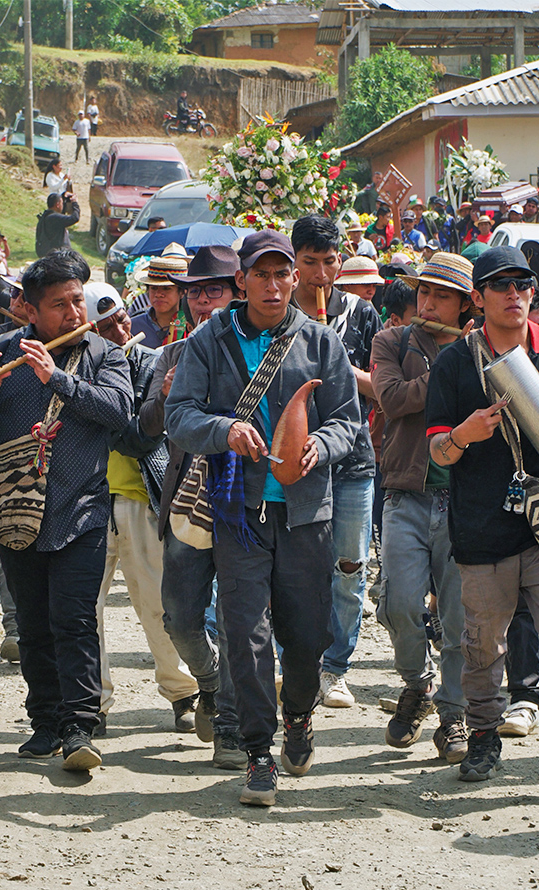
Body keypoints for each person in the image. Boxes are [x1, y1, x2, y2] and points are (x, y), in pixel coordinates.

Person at [165, 229, 362, 807]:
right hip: (238, 514)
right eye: (262, 275)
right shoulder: (209, 342)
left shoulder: (321, 343)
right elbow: (179, 416)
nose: (273, 285)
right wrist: (224, 430)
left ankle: (298, 712)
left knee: (306, 635)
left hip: (306, 514)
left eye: (283, 274)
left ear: (295, 279)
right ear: (242, 281)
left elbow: (349, 421)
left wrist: (319, 448)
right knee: (244, 633)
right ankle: (257, 751)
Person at [424, 244, 539, 790]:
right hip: (482, 527)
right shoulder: (456, 363)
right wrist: (464, 434)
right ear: (477, 298)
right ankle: (483, 738)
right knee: (482, 644)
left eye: (524, 285)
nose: (515, 294)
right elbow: (437, 452)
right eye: (502, 285)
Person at [0, 251, 131, 772]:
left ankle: (80, 725)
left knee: (75, 619)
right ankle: (44, 720)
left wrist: (57, 379)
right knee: (34, 625)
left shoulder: (105, 354)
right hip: (18, 509)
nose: (72, 312)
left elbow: (118, 412)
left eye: (76, 300)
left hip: (81, 510)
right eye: (58, 304)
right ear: (30, 311)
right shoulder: (0, 350)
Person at [142, 245, 246, 767]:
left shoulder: (264, 349)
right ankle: (207, 681)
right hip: (187, 501)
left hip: (248, 504)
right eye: (195, 292)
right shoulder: (175, 354)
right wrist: (163, 398)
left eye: (215, 290)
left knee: (236, 616)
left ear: (237, 293)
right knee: (179, 616)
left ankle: (229, 722)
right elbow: (147, 429)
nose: (204, 301)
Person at [372, 253, 474, 763]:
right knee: (399, 604)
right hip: (405, 493)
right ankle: (418, 685)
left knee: (457, 617)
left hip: (462, 499)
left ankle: (453, 717)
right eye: (424, 293)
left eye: (441, 296)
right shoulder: (393, 340)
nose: (428, 303)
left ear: (463, 306)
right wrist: (449, 372)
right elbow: (391, 398)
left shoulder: (482, 347)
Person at [84, 283, 200, 733]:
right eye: (105, 326)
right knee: (84, 609)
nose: (119, 330)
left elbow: (139, 434)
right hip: (87, 502)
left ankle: (183, 691)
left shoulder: (151, 364)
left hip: (139, 499)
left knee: (156, 602)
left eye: (121, 320)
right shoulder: (73, 369)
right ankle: (92, 701)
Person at [290, 216, 381, 710]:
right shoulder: (277, 314)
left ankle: (336, 668)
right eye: (310, 263)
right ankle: (293, 663)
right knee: (297, 568)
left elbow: (382, 388)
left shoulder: (361, 314)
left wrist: (342, 369)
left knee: (349, 565)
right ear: (294, 262)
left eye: (330, 262)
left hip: (354, 459)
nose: (322, 275)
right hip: (296, 459)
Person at [130, 254, 190, 347]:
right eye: (153, 288)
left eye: (166, 289)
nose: (158, 294)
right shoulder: (134, 326)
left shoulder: (191, 326)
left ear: (182, 292)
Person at [35, 192, 81, 259]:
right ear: (57, 204)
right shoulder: (54, 218)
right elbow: (74, 218)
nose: (63, 205)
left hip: (51, 254)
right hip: (57, 257)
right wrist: (75, 203)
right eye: (62, 203)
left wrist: (63, 196)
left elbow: (61, 212)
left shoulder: (47, 216)